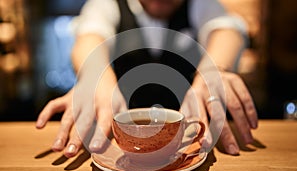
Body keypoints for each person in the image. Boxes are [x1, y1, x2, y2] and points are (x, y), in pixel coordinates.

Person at [36, 0, 258, 158]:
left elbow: (226, 30)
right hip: (121, 147)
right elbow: (89, 36)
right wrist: (95, 76)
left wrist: (213, 71)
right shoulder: (109, 4)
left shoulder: (199, 4)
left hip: (191, 143)